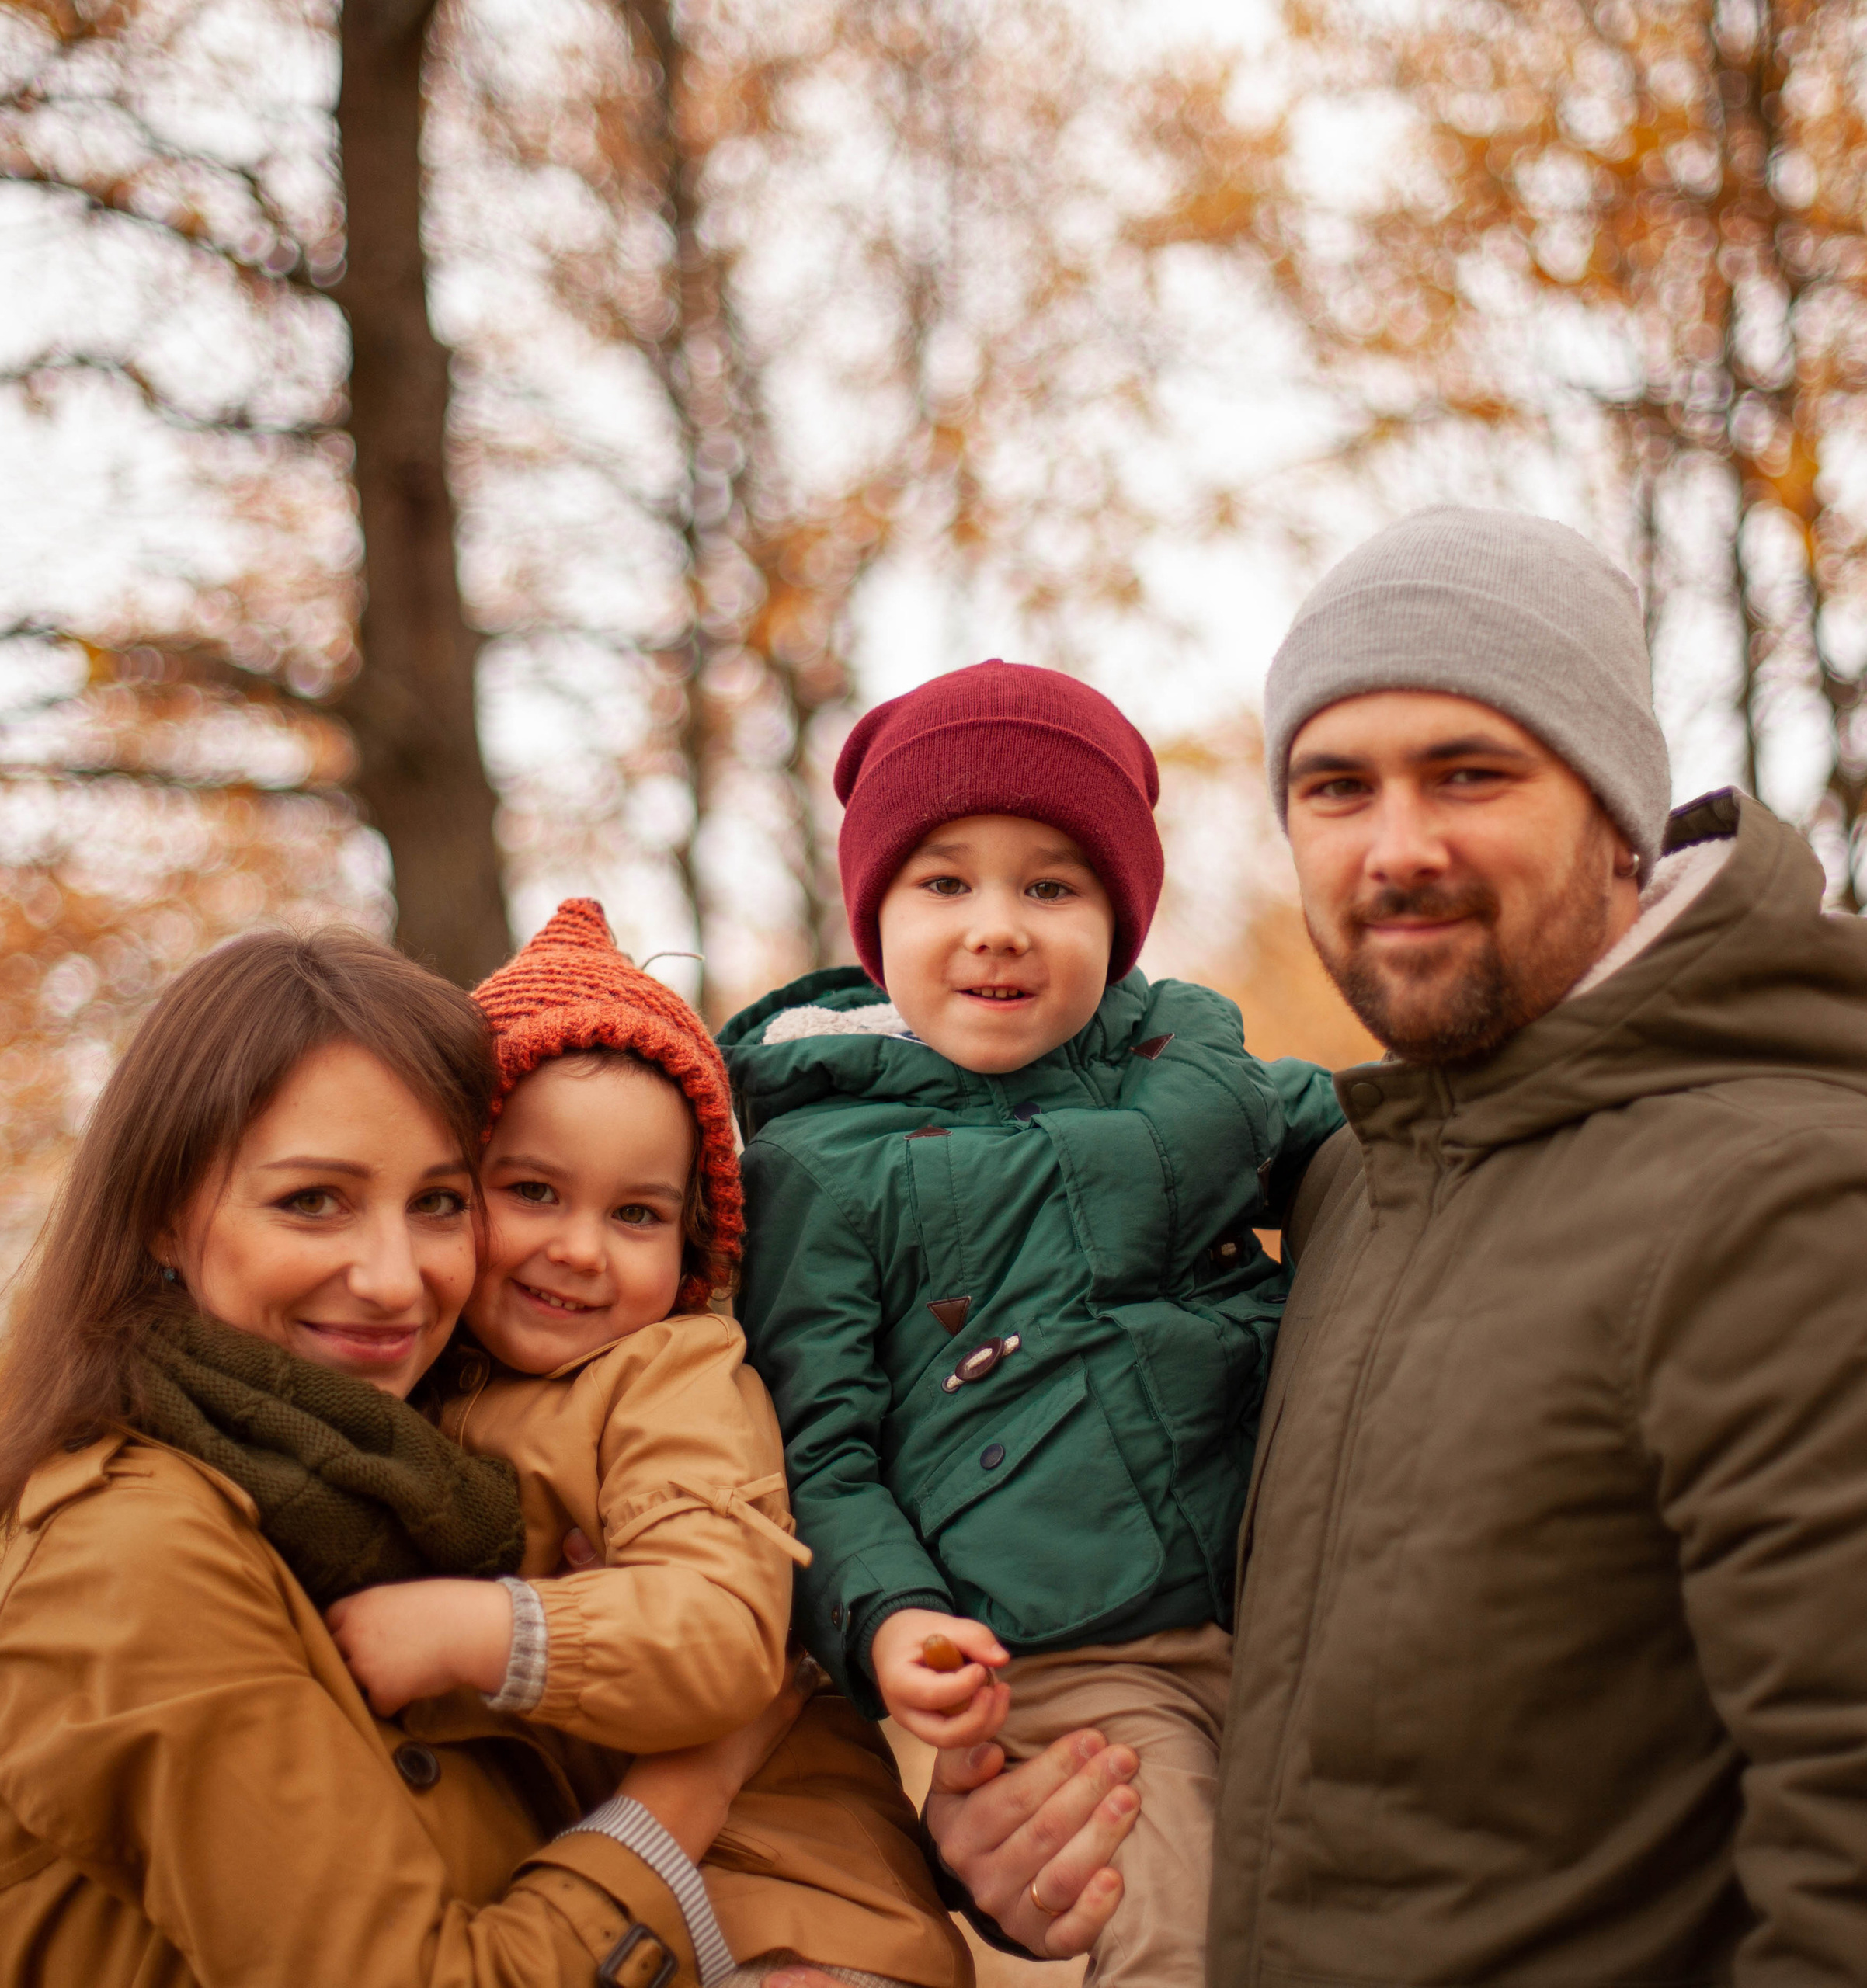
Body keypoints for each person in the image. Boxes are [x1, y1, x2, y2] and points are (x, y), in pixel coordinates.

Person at [1201, 506, 1867, 1980]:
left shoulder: (1798, 1211)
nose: (1397, 849)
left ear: (1622, 812)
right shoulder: (1361, 1193)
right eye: (1335, 788)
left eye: (1471, 774)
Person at [0, 926, 850, 1986]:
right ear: (164, 1216)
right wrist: (689, 1788)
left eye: (440, 1203)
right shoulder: (130, 1556)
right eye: (314, 1200)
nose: (396, 1281)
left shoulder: (414, 1485)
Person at [718, 660, 1344, 1986]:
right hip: (1076, 1657)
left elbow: (1380, 1134)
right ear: (874, 916)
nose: (998, 925)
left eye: (1050, 886)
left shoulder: (1194, 1074)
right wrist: (894, 1623)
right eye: (945, 883)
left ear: (1118, 921)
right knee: (1174, 1926)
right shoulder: (823, 1167)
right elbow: (820, 1456)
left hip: (1291, 1599)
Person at [329, 898, 971, 1988]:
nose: (580, 1250)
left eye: (636, 1215)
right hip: (614, 1898)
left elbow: (723, 1633)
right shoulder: (419, 1387)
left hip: (796, 1899)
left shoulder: (673, 1379)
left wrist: (479, 1627)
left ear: (690, 1246)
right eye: (533, 1191)